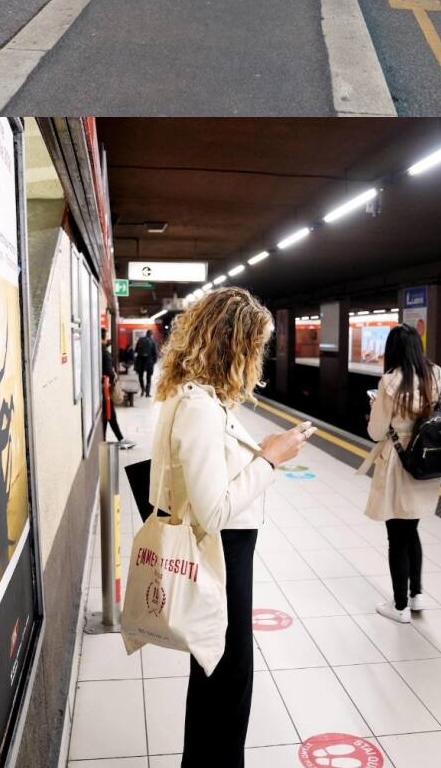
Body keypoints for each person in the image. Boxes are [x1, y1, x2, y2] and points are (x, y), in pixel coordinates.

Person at [151, 287, 312, 767]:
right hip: (221, 559)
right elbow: (215, 510)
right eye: (256, 345)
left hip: (225, 559)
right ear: (231, 345)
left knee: (215, 675)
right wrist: (270, 460)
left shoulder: (199, 398)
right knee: (228, 677)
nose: (259, 356)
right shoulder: (199, 406)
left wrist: (256, 454)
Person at [362, 325, 441, 622]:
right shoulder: (440, 377)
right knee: (412, 528)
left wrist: (375, 408)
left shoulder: (390, 381)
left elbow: (376, 431)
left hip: (399, 464)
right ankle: (417, 596)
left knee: (397, 536)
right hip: (427, 464)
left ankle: (400, 606)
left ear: (392, 350)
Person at [102, 338, 133, 449]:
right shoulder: (104, 352)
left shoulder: (97, 350)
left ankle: (109, 439)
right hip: (105, 390)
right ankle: (120, 440)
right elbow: (109, 371)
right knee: (109, 415)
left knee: (107, 416)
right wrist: (113, 378)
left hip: (100, 390)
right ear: (103, 339)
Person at [136, 326, 158, 395]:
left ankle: (142, 390)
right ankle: (147, 393)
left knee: (140, 376)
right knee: (148, 377)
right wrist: (154, 362)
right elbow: (155, 353)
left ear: (146, 334)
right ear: (151, 335)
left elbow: (136, 350)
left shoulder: (140, 340)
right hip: (149, 362)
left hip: (140, 361)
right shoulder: (153, 341)